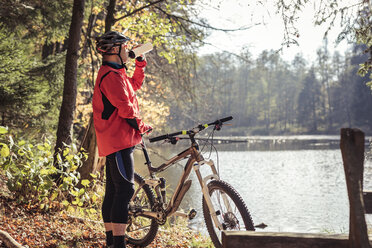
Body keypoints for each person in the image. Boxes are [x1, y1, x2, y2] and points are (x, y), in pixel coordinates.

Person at [92, 31, 152, 248]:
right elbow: (126, 110)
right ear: (115, 49)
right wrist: (143, 127)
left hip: (117, 141)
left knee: (114, 191)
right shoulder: (110, 77)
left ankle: (111, 243)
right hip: (118, 141)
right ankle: (118, 244)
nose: (128, 50)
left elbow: (133, 87)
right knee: (125, 190)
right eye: (125, 47)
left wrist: (140, 64)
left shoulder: (115, 74)